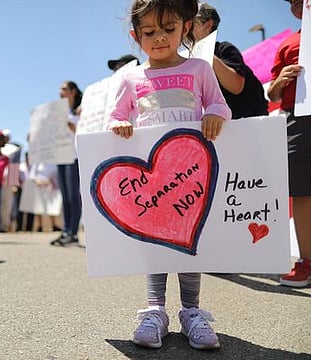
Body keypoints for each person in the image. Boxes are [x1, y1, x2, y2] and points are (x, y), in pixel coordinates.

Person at [108, 0, 231, 350]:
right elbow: (116, 116)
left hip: (191, 173)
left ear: (186, 29)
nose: (159, 37)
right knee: (156, 242)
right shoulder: (131, 76)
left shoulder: (199, 69)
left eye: (168, 29)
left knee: (190, 243)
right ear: (136, 36)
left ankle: (191, 311)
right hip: (152, 180)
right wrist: (119, 124)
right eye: (149, 32)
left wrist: (216, 116)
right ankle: (155, 310)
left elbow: (220, 105)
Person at [268, 0, 311, 287]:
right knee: (302, 191)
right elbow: (271, 94)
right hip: (299, 118)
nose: (295, 3)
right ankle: (306, 262)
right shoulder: (288, 43)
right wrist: (282, 80)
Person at [193, 3, 268, 119]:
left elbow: (236, 86)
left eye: (192, 22)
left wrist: (207, 55)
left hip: (249, 123)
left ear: (207, 25)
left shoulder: (225, 50)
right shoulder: (188, 60)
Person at [49, 81, 83, 246]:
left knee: (73, 195)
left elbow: (84, 130)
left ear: (73, 91)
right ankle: (66, 230)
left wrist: (72, 126)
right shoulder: (58, 112)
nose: (60, 92)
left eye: (63, 89)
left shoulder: (81, 111)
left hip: (74, 156)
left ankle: (73, 233)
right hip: (61, 156)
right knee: (64, 196)